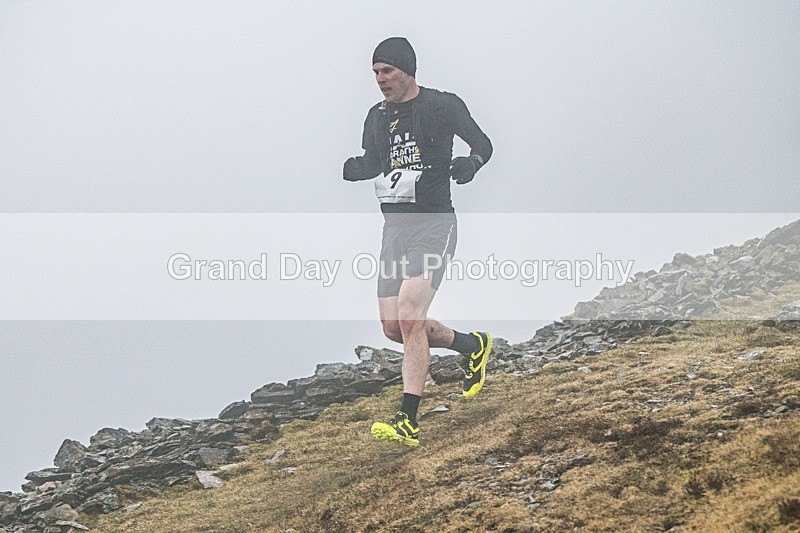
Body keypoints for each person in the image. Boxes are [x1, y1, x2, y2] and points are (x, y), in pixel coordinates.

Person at [343, 37, 493, 447]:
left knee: (410, 315)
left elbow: (483, 144)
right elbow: (376, 161)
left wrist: (472, 163)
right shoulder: (376, 116)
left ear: (407, 70)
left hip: (434, 225)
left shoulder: (442, 105)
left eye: (387, 71)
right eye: (375, 72)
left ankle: (407, 420)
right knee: (394, 327)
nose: (380, 79)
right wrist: (357, 169)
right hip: (395, 230)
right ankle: (472, 346)